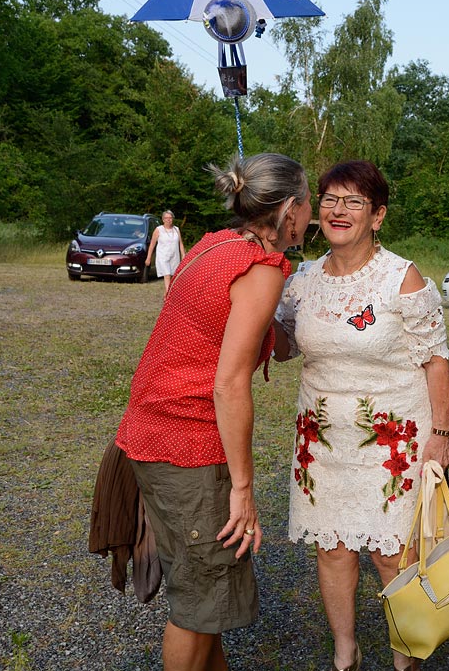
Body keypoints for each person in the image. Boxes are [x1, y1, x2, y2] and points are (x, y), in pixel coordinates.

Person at [114, 152, 312, 671]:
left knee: (205, 592)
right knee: (200, 599)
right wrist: (243, 490)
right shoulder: (262, 267)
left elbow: (215, 328)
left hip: (148, 435)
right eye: (310, 201)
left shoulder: (213, 244)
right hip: (189, 447)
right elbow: (227, 385)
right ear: (290, 209)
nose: (312, 213)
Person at [273, 160, 449, 671]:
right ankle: (344, 652)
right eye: (330, 199)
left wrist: (440, 433)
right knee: (331, 547)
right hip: (323, 442)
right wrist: (257, 304)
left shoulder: (402, 277)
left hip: (393, 442)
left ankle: (405, 658)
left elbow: (436, 360)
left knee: (393, 555)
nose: (337, 210)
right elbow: (285, 347)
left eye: (353, 201)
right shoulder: (303, 279)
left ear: (377, 216)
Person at [146, 209, 187, 297]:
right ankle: (169, 296)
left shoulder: (176, 229)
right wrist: (148, 257)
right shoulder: (158, 230)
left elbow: (180, 243)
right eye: (166, 218)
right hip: (163, 256)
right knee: (167, 275)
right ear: (163, 219)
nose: (168, 220)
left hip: (174, 256)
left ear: (173, 219)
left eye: (170, 218)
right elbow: (152, 244)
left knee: (172, 277)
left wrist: (183, 255)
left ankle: (166, 294)